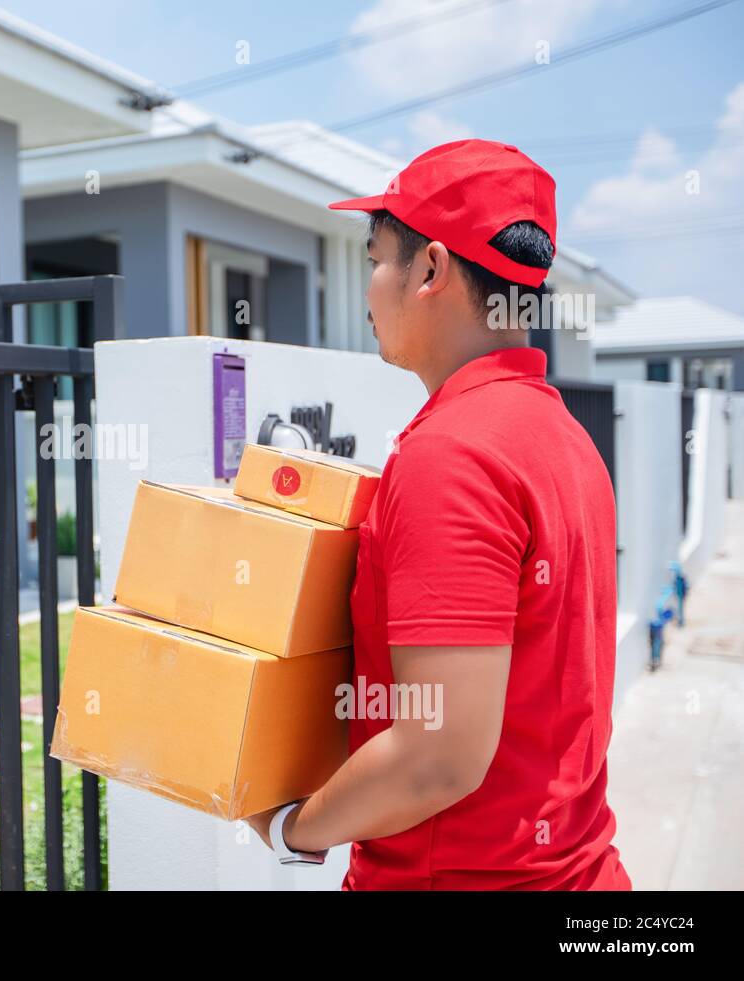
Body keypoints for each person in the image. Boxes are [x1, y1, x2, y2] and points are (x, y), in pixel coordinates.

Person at [247, 139, 632, 890]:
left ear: (429, 269)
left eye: (373, 260)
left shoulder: (451, 455)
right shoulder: (565, 438)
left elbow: (437, 755)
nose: (368, 289)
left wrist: (293, 828)